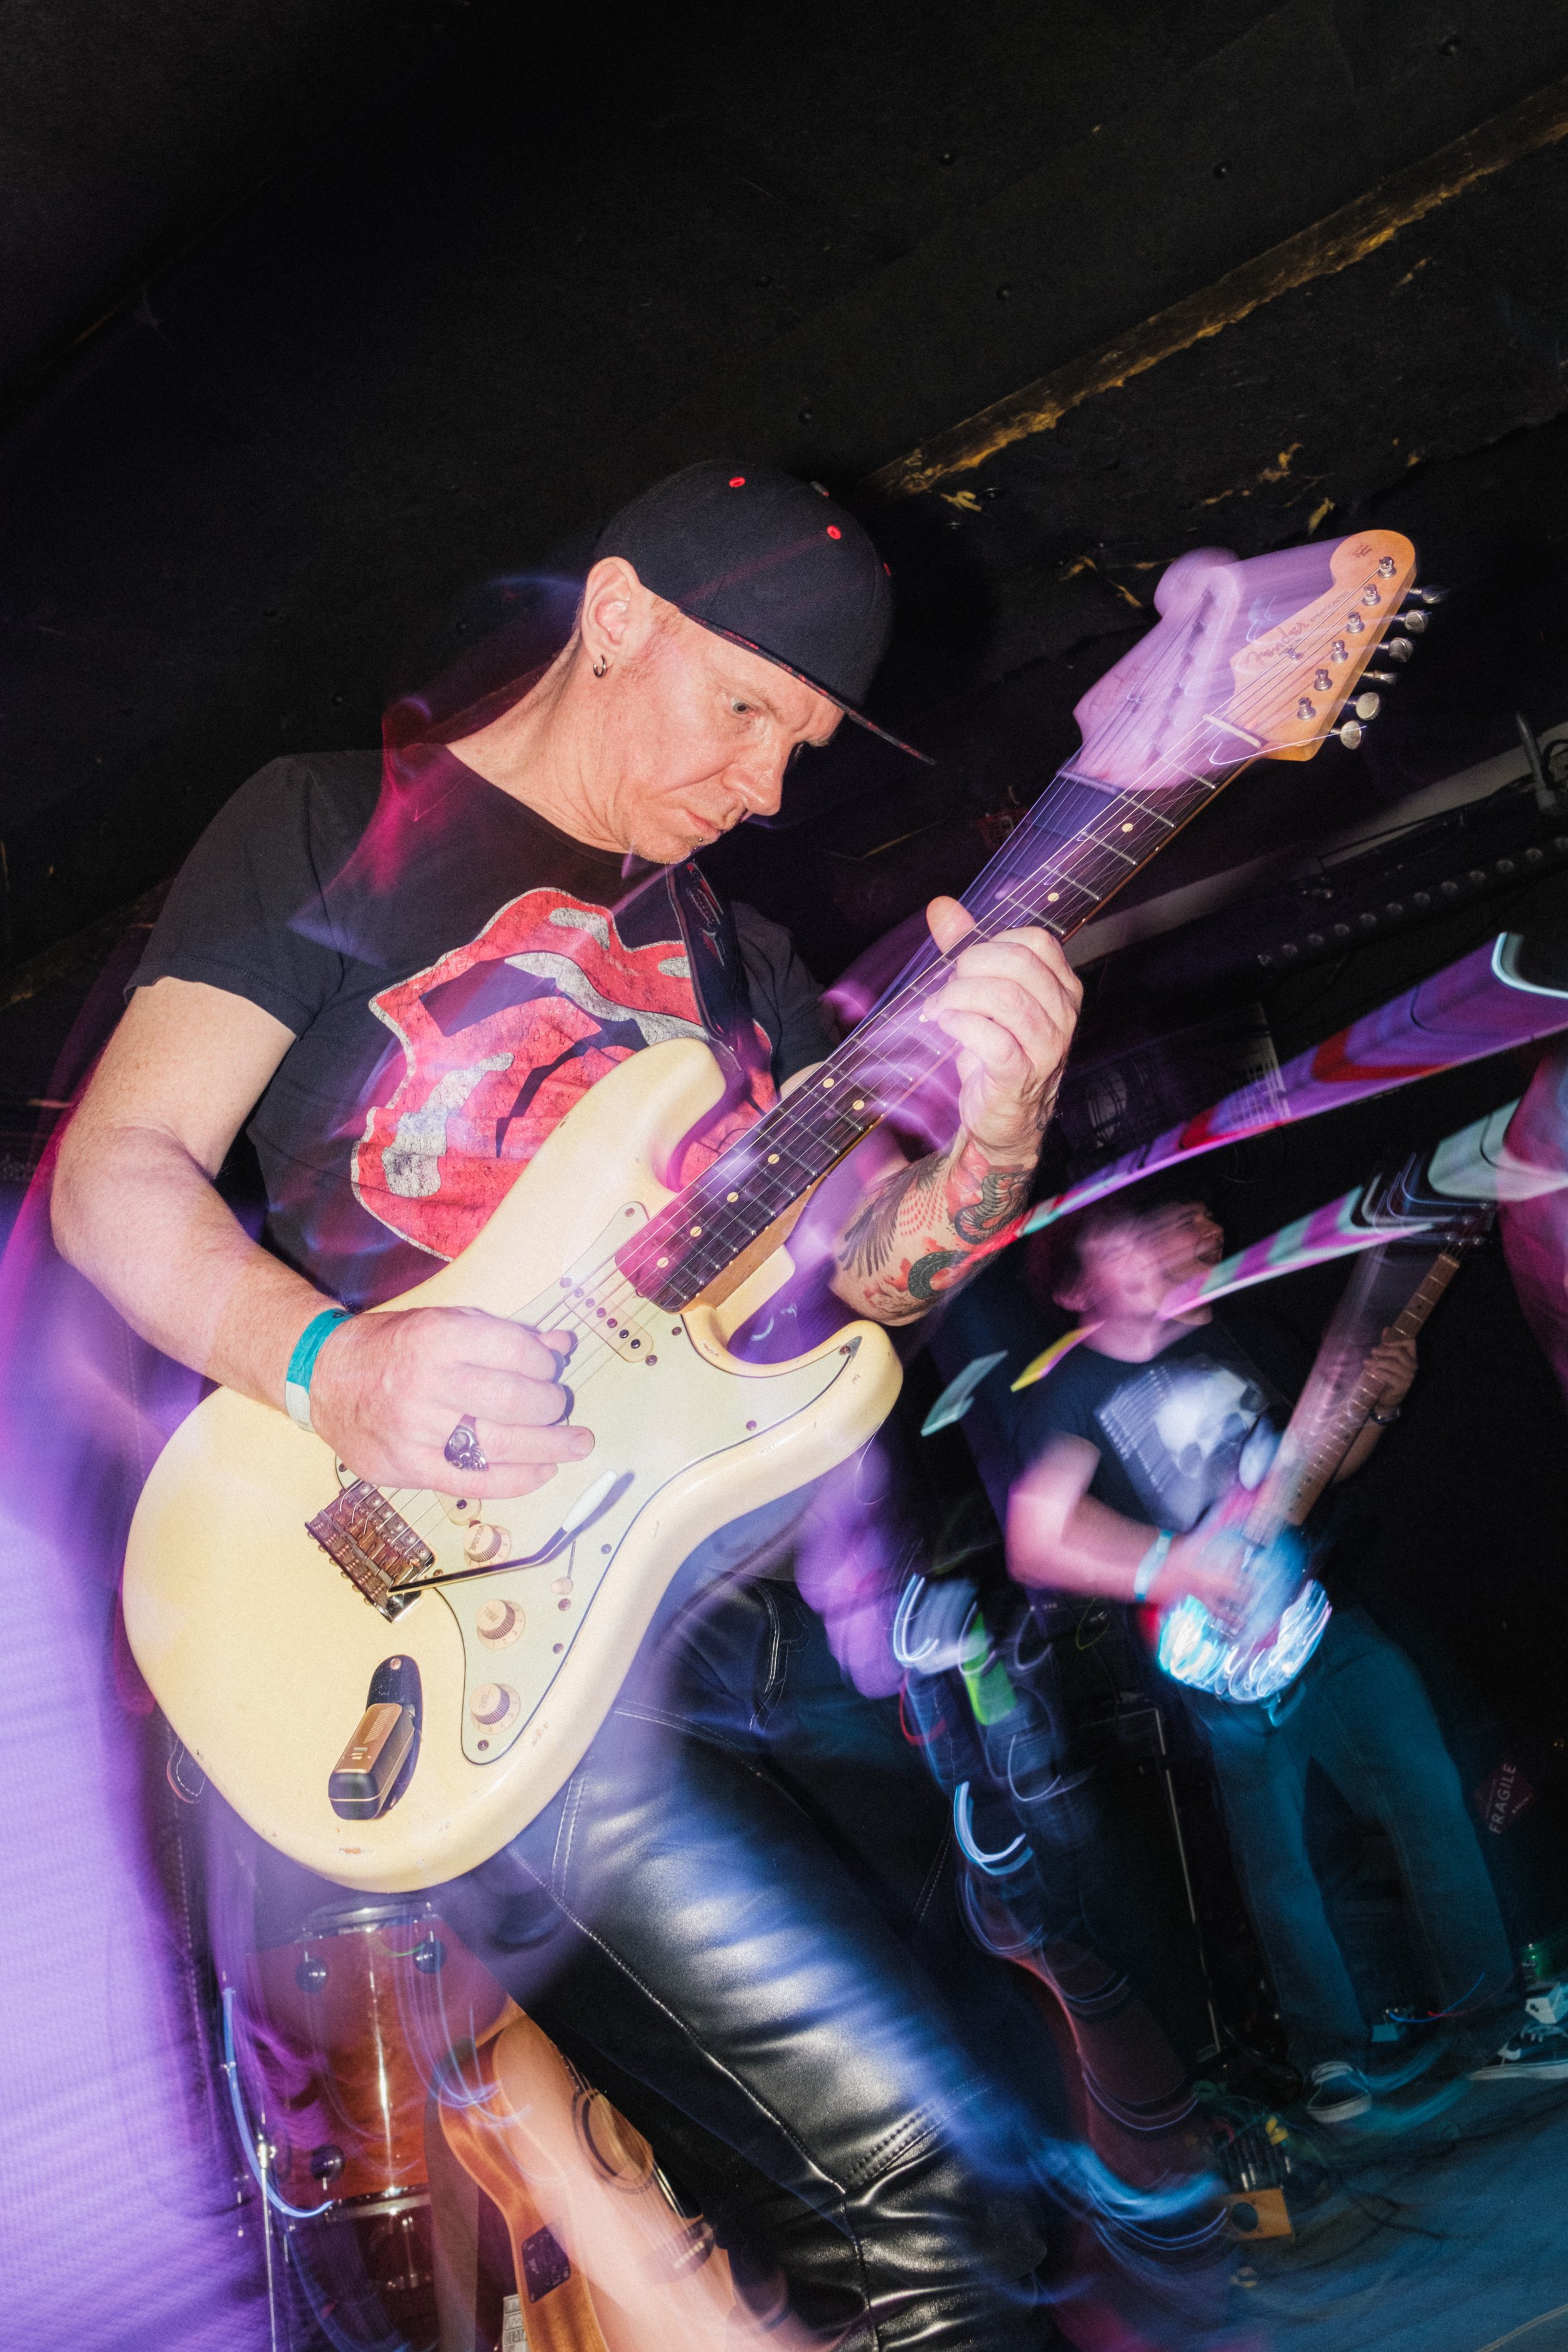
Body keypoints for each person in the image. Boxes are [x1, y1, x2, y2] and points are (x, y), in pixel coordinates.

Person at [51, 464, 1086, 2348]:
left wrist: (987, 1143)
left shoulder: (740, 966)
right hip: (463, 1622)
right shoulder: (327, 826)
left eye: (807, 737)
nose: (772, 783)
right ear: (616, 615)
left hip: (734, 1625)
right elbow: (117, 1168)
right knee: (920, 2189)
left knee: (958, 2170)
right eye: (748, 708)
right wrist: (327, 1361)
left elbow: (864, 1289)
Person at [1001, 1194, 1565, 2124]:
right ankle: (1334, 2058)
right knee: (1286, 1864)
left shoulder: (1240, 1339)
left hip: (1314, 1611)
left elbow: (1316, 1472)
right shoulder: (1070, 1389)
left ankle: (1490, 2022)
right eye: (1131, 1238)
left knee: (1429, 1793)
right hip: (1215, 1658)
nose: (1165, 1245)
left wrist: (1382, 1399)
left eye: (1162, 1230)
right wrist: (1171, 1562)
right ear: (1077, 1285)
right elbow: (1036, 1537)